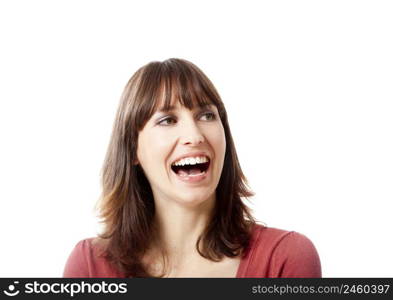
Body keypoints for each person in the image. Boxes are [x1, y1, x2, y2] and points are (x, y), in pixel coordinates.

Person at [63, 58, 321, 278]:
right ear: (133, 150)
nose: (194, 135)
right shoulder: (89, 267)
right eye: (167, 120)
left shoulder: (285, 259)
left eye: (206, 115)